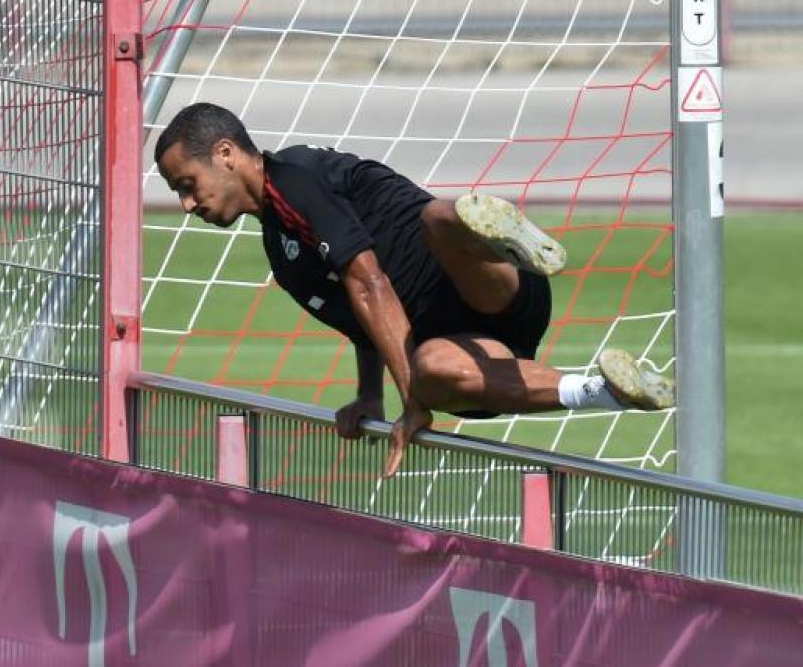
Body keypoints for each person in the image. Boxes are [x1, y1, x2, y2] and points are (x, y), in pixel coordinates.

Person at [155, 102, 674, 476]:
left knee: (439, 219)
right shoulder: (281, 250)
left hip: (482, 286)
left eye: (186, 184)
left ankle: (504, 241)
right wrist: (368, 394)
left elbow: (369, 282)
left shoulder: (294, 179)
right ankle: (606, 391)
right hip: (471, 348)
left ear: (225, 153)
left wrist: (412, 404)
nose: (186, 203)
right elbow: (360, 318)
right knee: (433, 369)